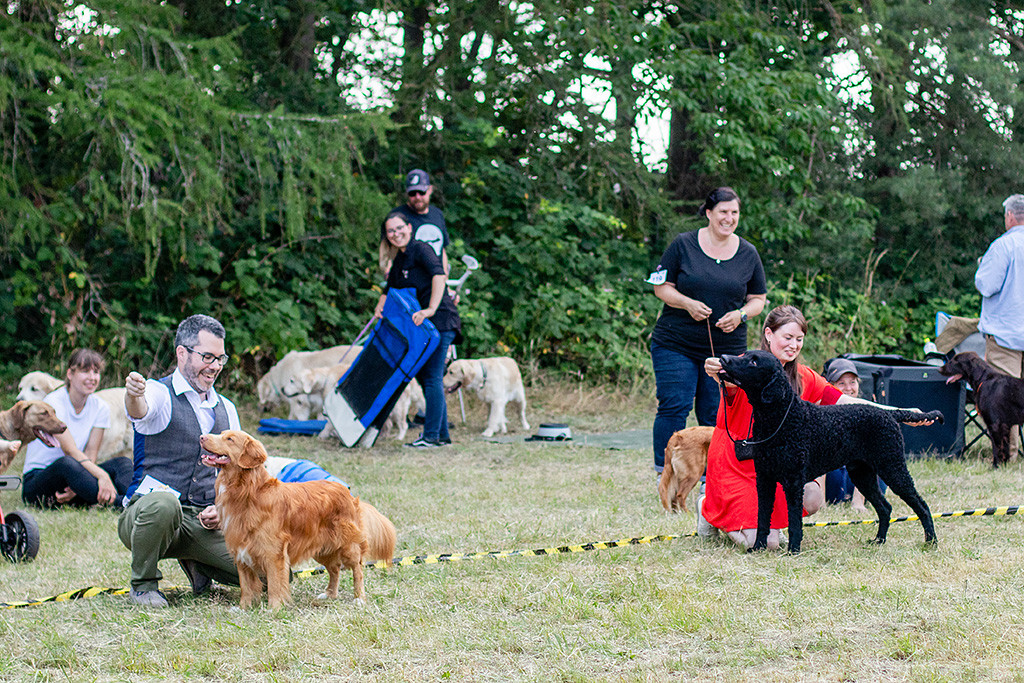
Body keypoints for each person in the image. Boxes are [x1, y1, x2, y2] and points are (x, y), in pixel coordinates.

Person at [699, 305, 929, 550]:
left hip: (777, 460)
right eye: (788, 337)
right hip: (737, 462)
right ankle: (707, 505)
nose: (793, 345)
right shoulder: (747, 365)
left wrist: (900, 412)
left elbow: (846, 401)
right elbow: (724, 373)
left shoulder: (804, 376)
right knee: (767, 544)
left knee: (810, 497)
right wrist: (715, 370)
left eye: (799, 339)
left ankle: (771, 527)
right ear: (769, 334)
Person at [117, 314, 241, 608]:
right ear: (182, 353)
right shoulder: (159, 392)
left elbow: (236, 475)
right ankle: (143, 586)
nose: (215, 366)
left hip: (200, 522)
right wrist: (133, 394)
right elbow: (139, 409)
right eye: (207, 357)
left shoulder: (227, 408)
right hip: (146, 515)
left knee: (268, 573)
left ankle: (198, 564)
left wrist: (222, 509)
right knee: (164, 504)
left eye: (220, 358)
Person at [647, 186, 767, 473]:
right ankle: (664, 473)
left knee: (717, 411)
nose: (729, 218)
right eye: (723, 211)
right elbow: (660, 287)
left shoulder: (748, 253)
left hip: (725, 349)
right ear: (709, 213)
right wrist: (687, 303)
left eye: (734, 212)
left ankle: (712, 476)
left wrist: (740, 315)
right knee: (675, 405)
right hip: (676, 343)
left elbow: (758, 300)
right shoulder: (683, 244)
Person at [376, 212, 462, 448]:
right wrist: (380, 305)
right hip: (425, 327)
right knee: (425, 377)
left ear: (409, 227)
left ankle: (431, 436)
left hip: (441, 320)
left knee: (432, 376)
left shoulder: (422, 249)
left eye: (399, 228)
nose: (396, 234)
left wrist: (431, 309)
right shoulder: (401, 258)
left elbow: (439, 276)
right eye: (391, 231)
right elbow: (390, 287)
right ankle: (441, 436)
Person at [21, 349, 132, 508]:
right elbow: (70, 450)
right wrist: (102, 476)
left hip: (74, 476)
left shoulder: (100, 407)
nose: (92, 377)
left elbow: (91, 453)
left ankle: (133, 500)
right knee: (67, 464)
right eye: (85, 371)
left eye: (96, 372)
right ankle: (119, 504)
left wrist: (78, 483)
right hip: (39, 481)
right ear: (70, 374)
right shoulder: (54, 402)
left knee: (122, 463)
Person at [975, 193, 1024, 456]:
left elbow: (987, 285)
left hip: (1007, 333)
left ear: (1010, 216)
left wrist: (983, 266)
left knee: (1003, 396)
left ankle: (1007, 452)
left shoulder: (1003, 246)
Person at [821, 358, 886, 513]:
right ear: (830, 386)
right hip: (834, 479)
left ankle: (858, 501)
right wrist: (820, 504)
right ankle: (822, 500)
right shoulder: (822, 413)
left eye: (852, 382)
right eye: (841, 383)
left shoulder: (865, 411)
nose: (848, 388)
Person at [385, 169, 450, 277]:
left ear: (430, 189)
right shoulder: (398, 216)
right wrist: (388, 273)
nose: (417, 197)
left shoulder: (437, 214)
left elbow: (441, 249)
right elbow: (389, 249)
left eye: (421, 192)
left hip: (434, 278)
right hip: (409, 280)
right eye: (412, 193)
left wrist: (444, 275)